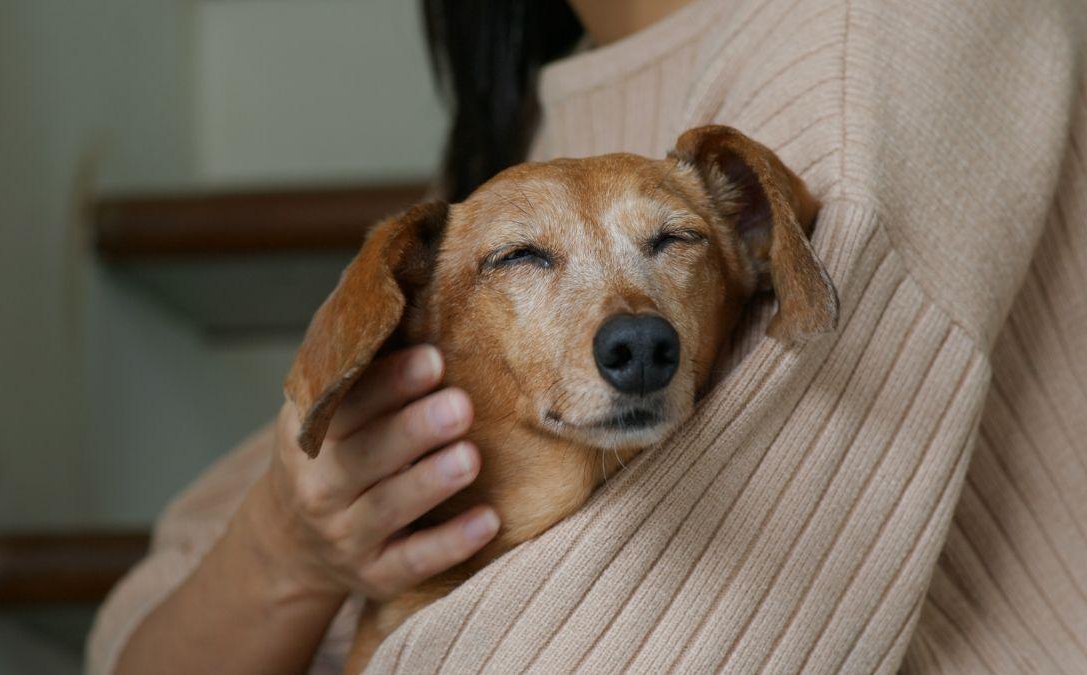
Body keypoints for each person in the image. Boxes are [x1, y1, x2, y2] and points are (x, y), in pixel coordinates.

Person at [89, 1, 1087, 673]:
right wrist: (284, 549)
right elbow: (145, 637)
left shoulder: (872, 37)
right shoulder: (503, 176)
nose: (632, 328)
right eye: (527, 259)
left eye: (671, 241)